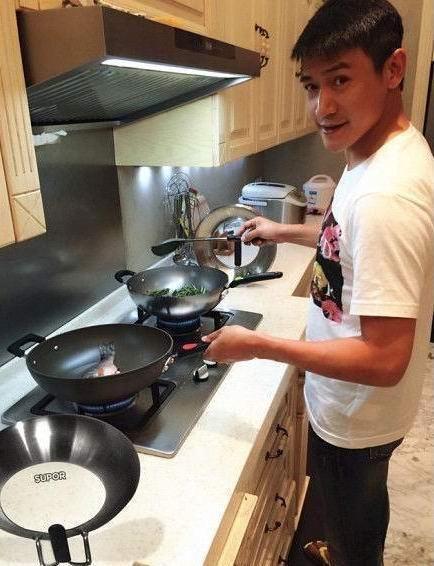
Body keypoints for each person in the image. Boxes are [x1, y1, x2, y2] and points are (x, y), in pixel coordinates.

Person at [201, 1, 434, 565]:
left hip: (359, 416)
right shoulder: (376, 154)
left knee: (357, 534)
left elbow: (386, 358)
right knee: (352, 510)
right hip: (358, 409)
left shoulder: (386, 195)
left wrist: (258, 345)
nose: (322, 107)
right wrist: (283, 230)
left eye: (341, 80)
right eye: (311, 85)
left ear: (394, 68)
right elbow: (346, 244)